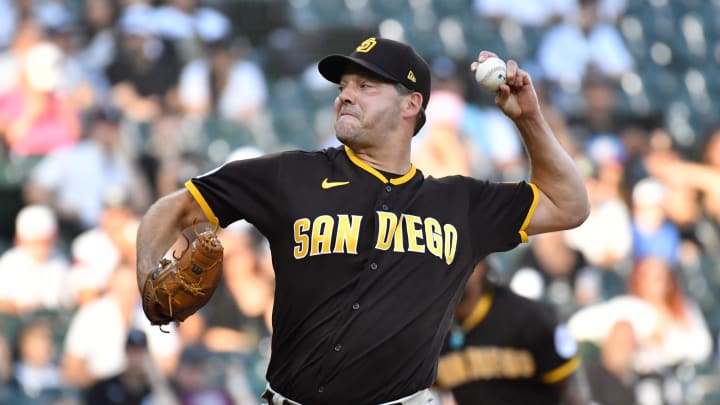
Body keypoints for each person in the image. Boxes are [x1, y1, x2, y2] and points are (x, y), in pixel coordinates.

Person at [135, 36, 589, 404]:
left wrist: (528, 118)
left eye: (366, 86)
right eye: (343, 86)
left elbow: (568, 204)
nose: (346, 95)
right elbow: (172, 208)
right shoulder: (290, 176)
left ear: (411, 105)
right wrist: (146, 278)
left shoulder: (459, 203)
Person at [434, 260, 589, 405]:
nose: (449, 273)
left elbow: (569, 386)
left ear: (481, 265)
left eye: (456, 263)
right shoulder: (425, 328)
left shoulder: (530, 318)